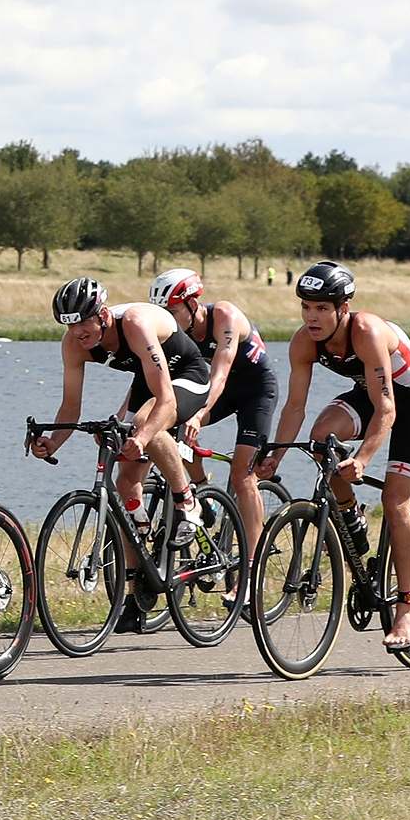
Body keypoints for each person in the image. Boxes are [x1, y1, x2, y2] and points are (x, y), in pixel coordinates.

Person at [261, 261, 410, 649]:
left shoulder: (367, 332)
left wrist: (362, 460)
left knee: (395, 502)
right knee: (322, 436)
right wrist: (275, 457)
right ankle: (351, 519)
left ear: (344, 307)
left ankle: (408, 607)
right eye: (306, 307)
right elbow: (294, 408)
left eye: (322, 308)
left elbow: (388, 409)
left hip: (408, 400)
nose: (313, 317)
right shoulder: (304, 342)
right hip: (371, 392)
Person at [30, 275, 208, 631]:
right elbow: (70, 408)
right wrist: (52, 441)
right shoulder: (74, 344)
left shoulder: (137, 325)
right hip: (149, 379)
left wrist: (141, 438)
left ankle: (188, 500)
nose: (78, 332)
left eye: (84, 322)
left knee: (146, 424)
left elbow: (166, 400)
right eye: (69, 325)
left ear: (104, 315)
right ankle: (134, 587)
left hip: (187, 375)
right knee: (125, 483)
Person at [152, 265, 280, 573]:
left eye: (171, 311)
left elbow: (220, 372)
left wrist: (197, 413)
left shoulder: (224, 316)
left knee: (242, 475)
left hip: (255, 391)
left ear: (192, 304)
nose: (167, 320)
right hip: (216, 391)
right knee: (172, 427)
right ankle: (201, 496)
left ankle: (253, 567)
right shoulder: (174, 333)